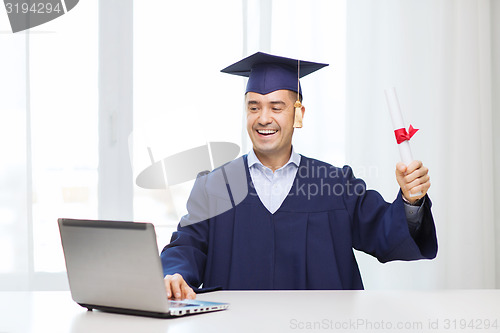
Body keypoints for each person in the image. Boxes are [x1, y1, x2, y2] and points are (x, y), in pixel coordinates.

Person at [160, 52, 437, 300]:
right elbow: (186, 246)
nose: (263, 118)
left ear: (298, 114)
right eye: (254, 107)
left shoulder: (334, 185)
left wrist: (412, 201)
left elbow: (385, 233)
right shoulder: (215, 187)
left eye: (276, 107)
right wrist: (174, 275)